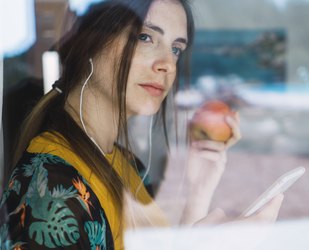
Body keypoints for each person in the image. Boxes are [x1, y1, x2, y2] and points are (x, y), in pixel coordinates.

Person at [0, 0, 283, 249]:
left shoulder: (129, 165)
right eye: (145, 37)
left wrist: (200, 189)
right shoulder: (47, 188)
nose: (168, 65)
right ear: (91, 43)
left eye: (176, 49)